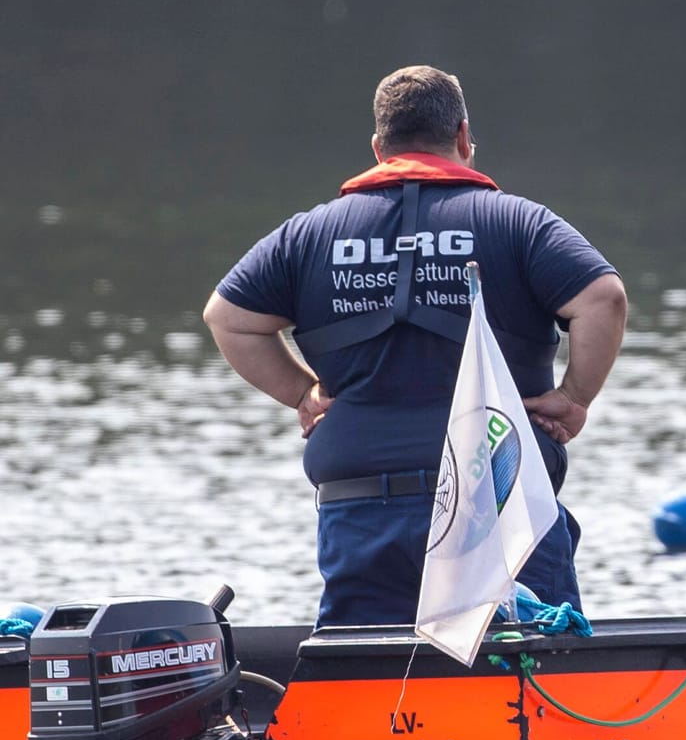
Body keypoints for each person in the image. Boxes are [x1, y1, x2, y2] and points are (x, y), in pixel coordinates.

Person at [204, 65, 628, 627]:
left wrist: (303, 393)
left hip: (360, 512)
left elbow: (228, 317)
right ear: (462, 138)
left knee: (367, 683)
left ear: (379, 148)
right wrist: (575, 399)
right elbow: (604, 300)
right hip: (494, 504)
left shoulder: (308, 235)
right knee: (528, 676)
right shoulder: (516, 223)